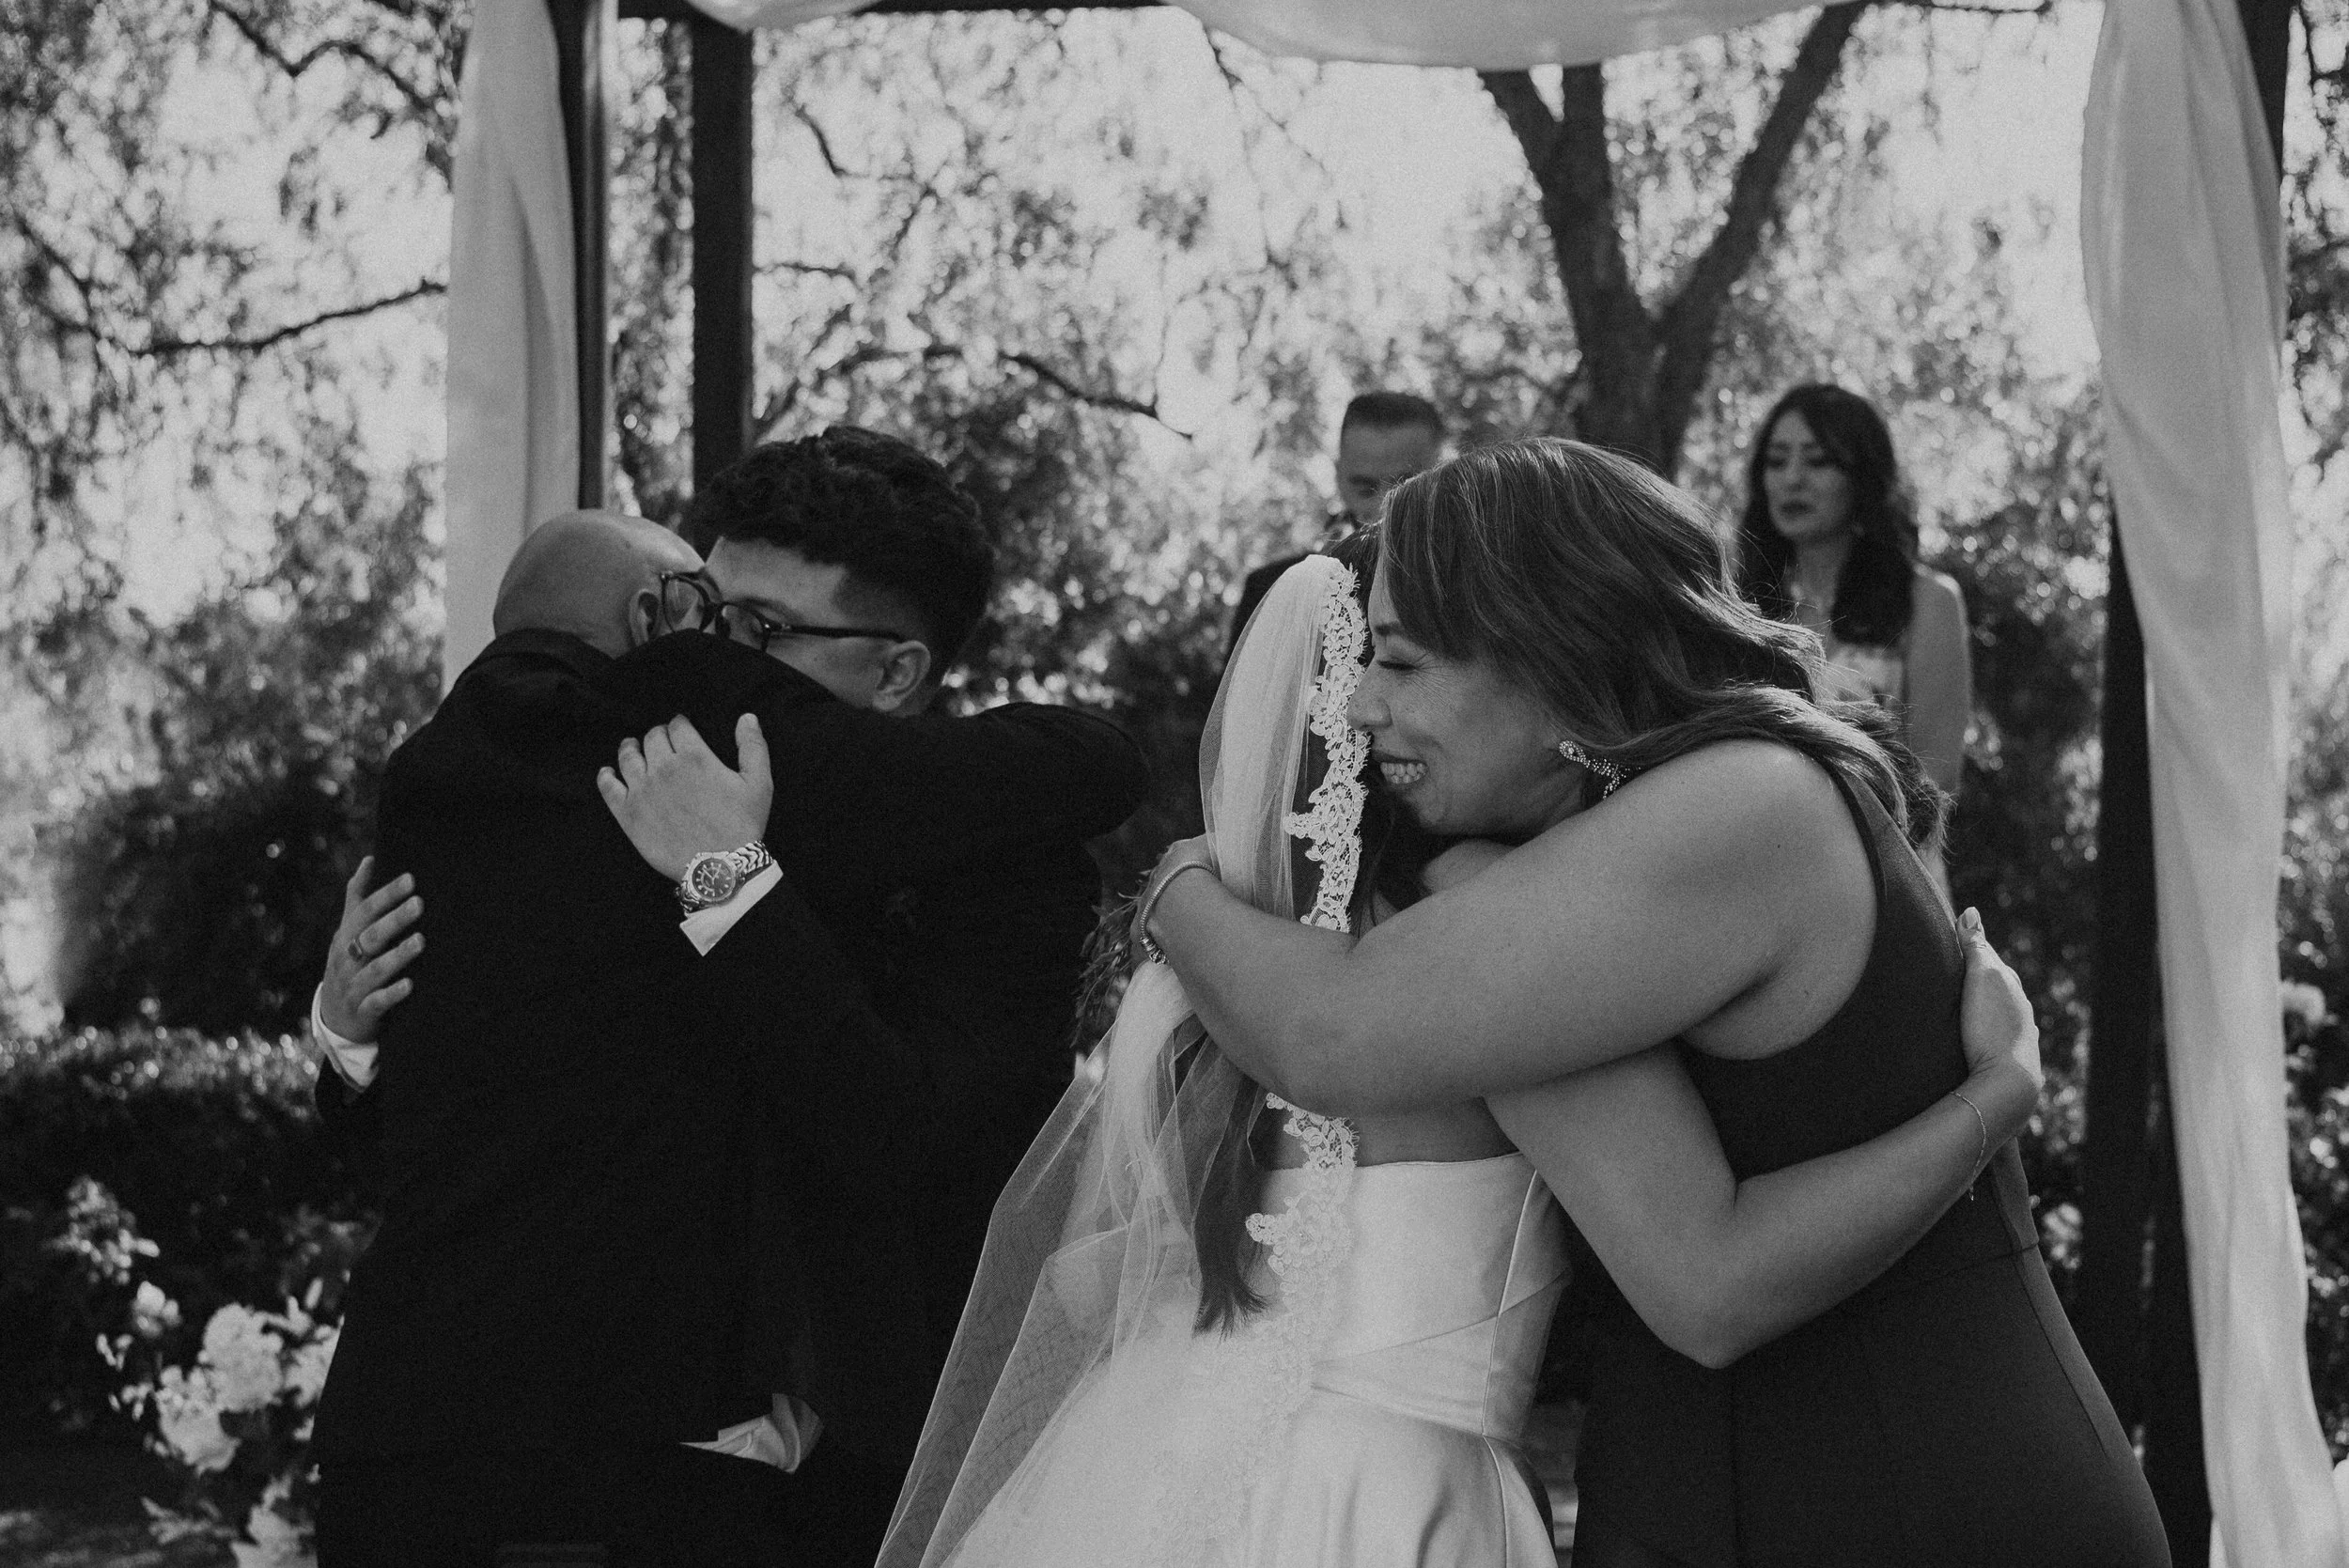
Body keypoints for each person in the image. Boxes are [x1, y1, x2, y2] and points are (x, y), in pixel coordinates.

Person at [1138, 439, 2166, 1567]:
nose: (1362, 704)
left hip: (1917, 1482)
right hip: (1769, 1477)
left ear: (1556, 653)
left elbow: (1324, 1036)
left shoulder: (1743, 806)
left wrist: (1175, 889)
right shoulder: (1621, 846)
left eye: (1403, 661)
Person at [312, 431, 1147, 1565]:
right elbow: (496, 1097)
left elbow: (923, 1148)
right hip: (521, 1451)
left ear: (896, 673)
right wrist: (347, 1033)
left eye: (755, 632)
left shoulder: (1002, 867)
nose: (693, 660)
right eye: (703, 618)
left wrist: (728, 887)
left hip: (821, 1488)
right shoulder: (604, 775)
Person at [1735, 384, 1970, 800]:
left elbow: (1937, 779)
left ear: (1861, 477)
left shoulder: (1927, 602)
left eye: (1818, 460)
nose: (1792, 478)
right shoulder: (1737, 604)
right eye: (1776, 460)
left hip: (1885, 855)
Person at [1226, 391, 1444, 654]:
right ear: (1339, 476)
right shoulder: (1270, 590)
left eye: (1405, 488)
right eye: (1365, 489)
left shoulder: (1476, 584)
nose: (1383, 509)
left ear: (1440, 477)